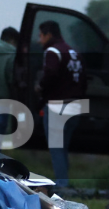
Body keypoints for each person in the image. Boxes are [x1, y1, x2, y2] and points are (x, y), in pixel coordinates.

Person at [36, 20, 87, 188]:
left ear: (48, 35)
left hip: (58, 106)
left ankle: (62, 187)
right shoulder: (73, 51)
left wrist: (40, 86)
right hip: (76, 106)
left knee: (56, 148)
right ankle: (65, 181)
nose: (39, 40)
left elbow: (50, 73)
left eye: (41, 35)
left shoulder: (52, 51)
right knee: (63, 148)